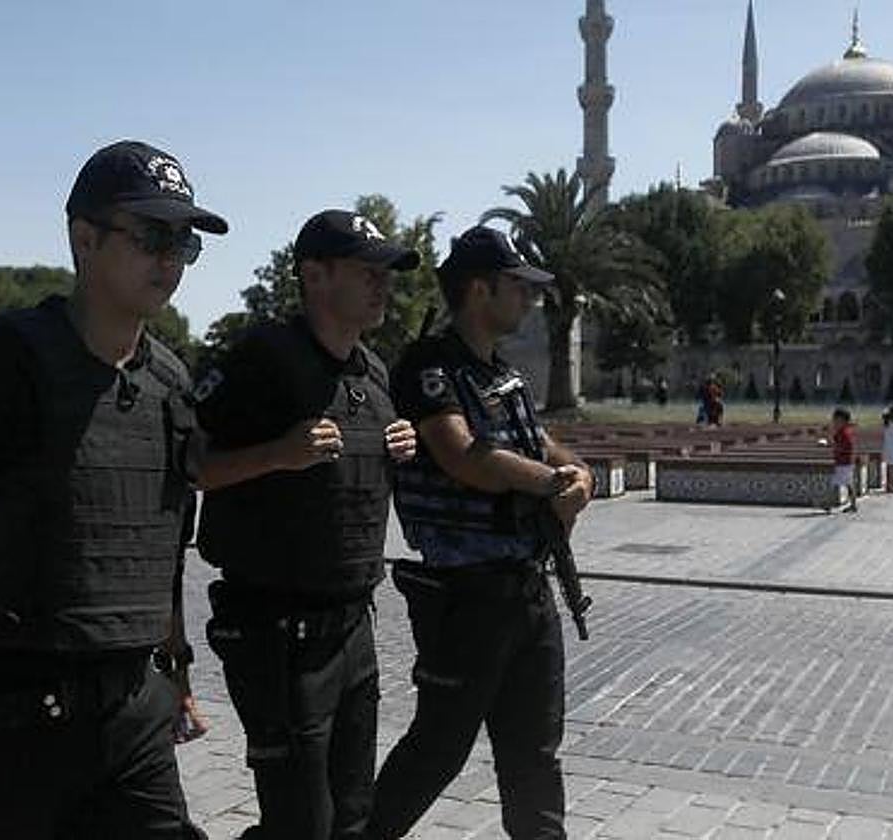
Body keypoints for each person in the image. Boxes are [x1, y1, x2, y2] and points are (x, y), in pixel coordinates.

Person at [0, 140, 225, 838]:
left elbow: (163, 543)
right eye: (151, 236)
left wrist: (175, 670)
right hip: (15, 722)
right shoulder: (4, 360)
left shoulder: (170, 383)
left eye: (184, 241)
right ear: (85, 239)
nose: (170, 257)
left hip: (136, 714)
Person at [193, 209, 419, 840]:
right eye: (366, 271)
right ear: (314, 276)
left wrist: (395, 448)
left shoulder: (372, 372)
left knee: (351, 816)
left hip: (354, 625)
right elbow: (187, 467)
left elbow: (347, 482)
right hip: (277, 631)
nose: (382, 285)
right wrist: (275, 454)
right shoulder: (262, 357)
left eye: (386, 273)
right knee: (300, 822)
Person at [368, 226, 594, 840]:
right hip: (467, 595)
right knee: (440, 747)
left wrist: (579, 472)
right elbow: (463, 456)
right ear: (478, 289)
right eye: (518, 287)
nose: (530, 300)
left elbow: (540, 444)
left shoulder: (502, 373)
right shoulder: (429, 368)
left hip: (526, 587)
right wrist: (553, 484)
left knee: (535, 753)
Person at [830, 407, 857, 513]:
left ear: (843, 421)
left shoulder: (844, 433)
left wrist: (835, 447)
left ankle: (829, 503)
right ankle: (853, 504)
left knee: (842, 483)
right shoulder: (841, 432)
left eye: (836, 420)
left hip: (844, 462)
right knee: (846, 483)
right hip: (843, 461)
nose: (834, 423)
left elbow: (846, 446)